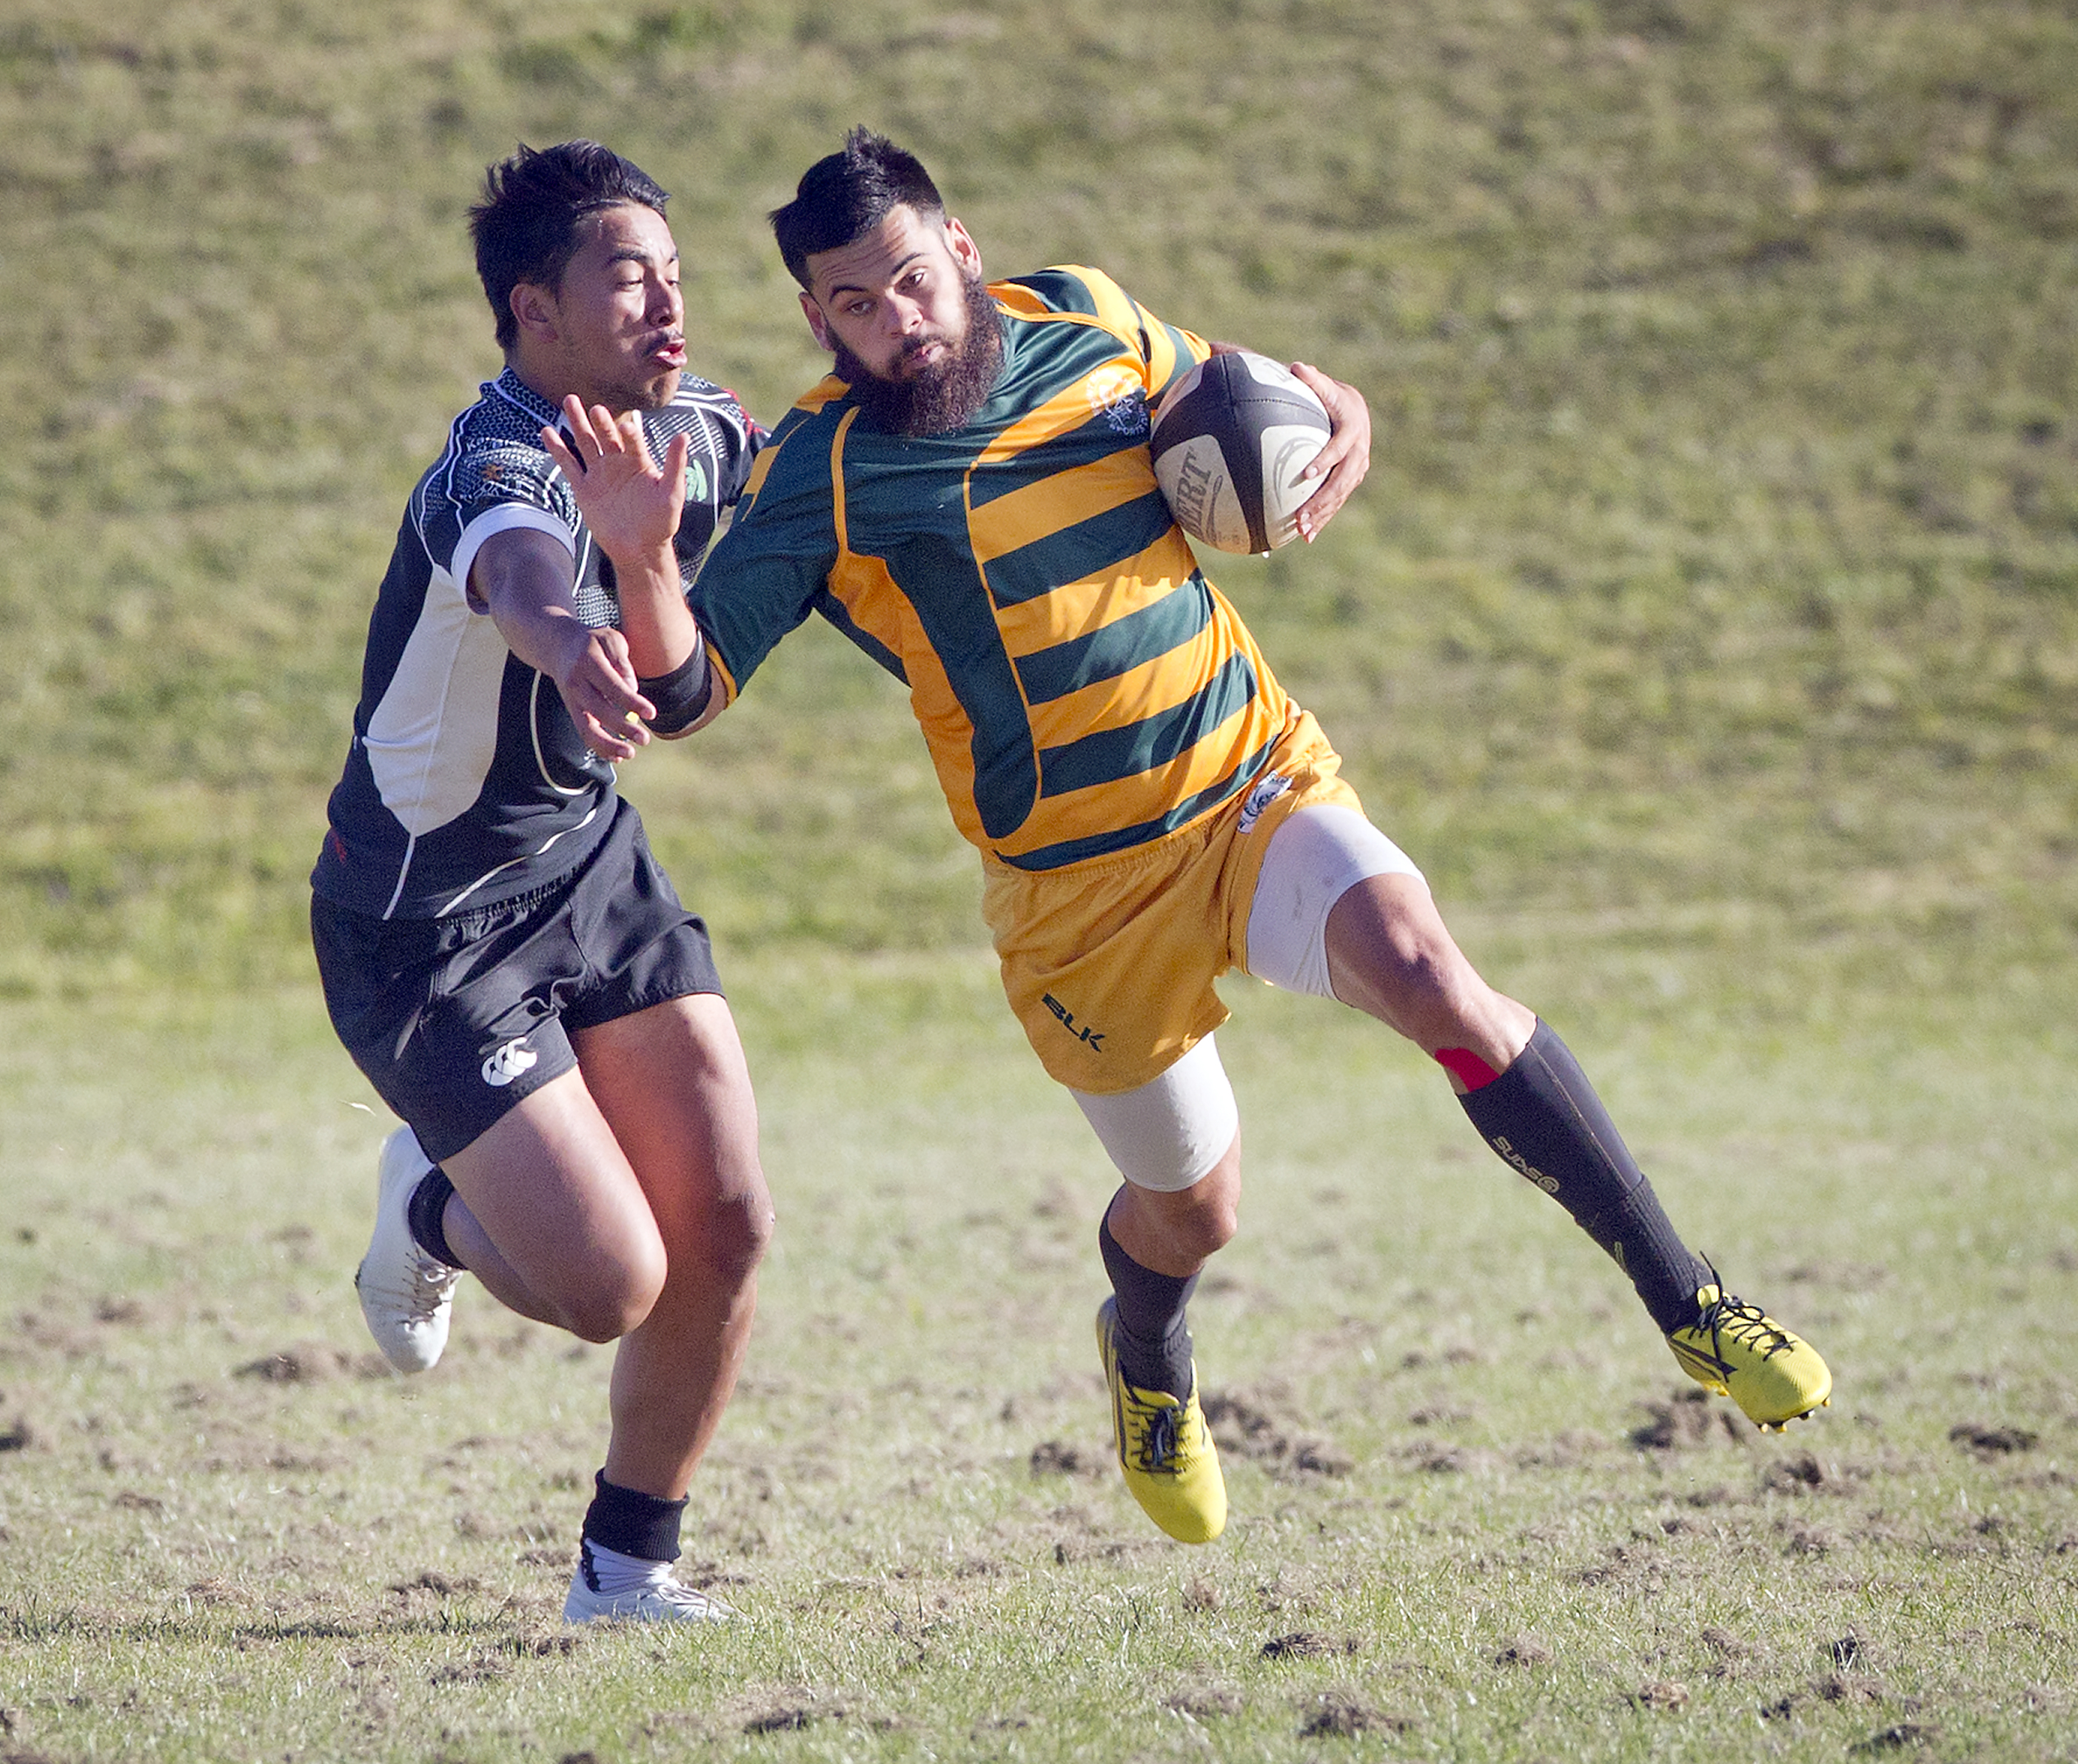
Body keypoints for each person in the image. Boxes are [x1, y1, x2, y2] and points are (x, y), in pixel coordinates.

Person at [552, 127, 1830, 1549]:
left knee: (1429, 974)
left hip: (1247, 780)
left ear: (960, 251)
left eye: (910, 283)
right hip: (1080, 903)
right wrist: (644, 561)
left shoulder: (1088, 318)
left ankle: (1689, 1299)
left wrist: (1340, 422)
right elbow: (682, 695)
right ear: (814, 317)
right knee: (1192, 1210)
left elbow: (1247, 409)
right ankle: (1146, 1350)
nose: (895, 327)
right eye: (853, 307)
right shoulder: (824, 471)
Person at [309, 140, 772, 1620]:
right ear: (536, 311)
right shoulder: (492, 463)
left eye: (676, 273)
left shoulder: (696, 432)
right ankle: (433, 1205)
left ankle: (626, 1570)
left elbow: (830, 459)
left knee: (730, 1224)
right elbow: (517, 569)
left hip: (584, 865)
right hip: (421, 930)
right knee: (610, 1285)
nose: (666, 302)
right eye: (625, 276)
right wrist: (574, 640)